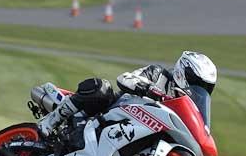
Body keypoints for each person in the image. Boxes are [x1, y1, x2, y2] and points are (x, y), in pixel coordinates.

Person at [36, 51, 217, 137]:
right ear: (183, 72)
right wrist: (149, 90)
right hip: (116, 110)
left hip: (140, 130)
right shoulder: (157, 73)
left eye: (203, 87)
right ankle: (50, 121)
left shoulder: (184, 105)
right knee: (101, 88)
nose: (198, 89)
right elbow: (124, 78)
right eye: (196, 82)